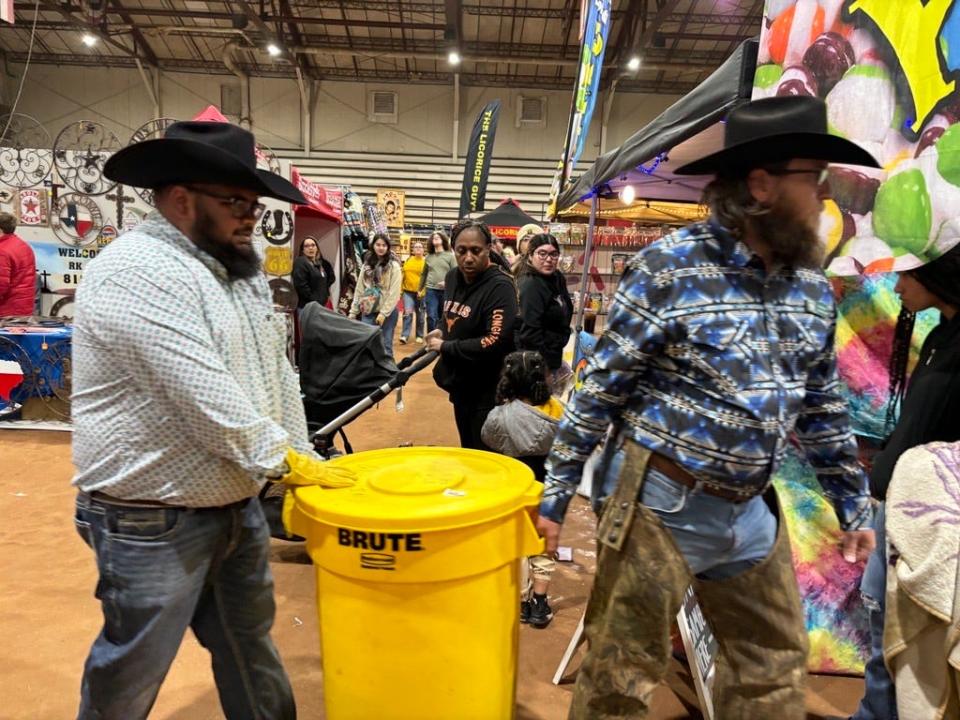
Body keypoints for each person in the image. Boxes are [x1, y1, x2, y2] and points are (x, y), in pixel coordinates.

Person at [536, 96, 879, 720]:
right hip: (658, 505)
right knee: (621, 679)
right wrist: (557, 492)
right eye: (814, 179)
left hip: (750, 512)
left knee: (773, 665)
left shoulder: (808, 288)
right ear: (760, 185)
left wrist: (852, 502)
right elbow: (601, 387)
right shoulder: (670, 268)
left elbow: (822, 407)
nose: (825, 196)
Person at [71, 121, 356, 720]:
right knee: (132, 668)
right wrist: (288, 463)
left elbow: (278, 375)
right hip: (149, 516)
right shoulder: (136, 270)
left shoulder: (236, 270)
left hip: (234, 505)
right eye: (235, 203)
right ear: (180, 199)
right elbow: (205, 398)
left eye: (253, 203)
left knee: (249, 646)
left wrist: (302, 458)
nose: (251, 216)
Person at [849, 244, 960, 720]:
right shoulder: (942, 336)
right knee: (884, 628)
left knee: (904, 638)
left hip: (929, 521)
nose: (896, 287)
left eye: (907, 277)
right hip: (897, 506)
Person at [481, 350, 563, 628]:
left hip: (514, 489)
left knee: (517, 544)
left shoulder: (498, 416)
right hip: (546, 488)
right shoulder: (558, 411)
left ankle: (520, 601)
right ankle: (540, 603)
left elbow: (486, 440)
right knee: (542, 546)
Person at [425, 219, 518, 450]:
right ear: (453, 250)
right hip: (460, 384)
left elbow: (496, 341)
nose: (468, 257)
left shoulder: (500, 287)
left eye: (476, 251)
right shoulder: (452, 277)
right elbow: (452, 313)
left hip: (487, 390)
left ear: (488, 249)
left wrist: (446, 347)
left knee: (484, 454)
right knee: (467, 445)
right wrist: (442, 329)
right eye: (461, 250)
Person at [515, 233, 574, 392]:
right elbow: (530, 334)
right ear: (530, 255)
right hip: (536, 363)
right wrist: (544, 367)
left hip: (553, 355)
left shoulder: (557, 278)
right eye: (542, 253)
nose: (548, 259)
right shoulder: (530, 285)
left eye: (553, 254)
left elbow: (566, 309)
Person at [348, 232, 402, 358]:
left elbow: (394, 292)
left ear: (388, 247)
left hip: (387, 313)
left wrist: (384, 313)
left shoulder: (393, 266)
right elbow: (359, 289)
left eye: (384, 245)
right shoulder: (366, 266)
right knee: (366, 344)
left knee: (385, 345)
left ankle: (388, 375)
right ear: (373, 246)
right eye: (378, 244)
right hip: (367, 309)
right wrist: (353, 311)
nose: (381, 247)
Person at [419, 230, 456, 333]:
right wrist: (419, 289)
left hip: (446, 291)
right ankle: (431, 338)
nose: (434, 238)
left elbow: (456, 274)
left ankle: (440, 339)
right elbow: (424, 274)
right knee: (431, 316)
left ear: (443, 240)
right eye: (433, 237)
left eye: (437, 237)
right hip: (430, 290)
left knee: (442, 317)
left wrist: (447, 283)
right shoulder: (428, 257)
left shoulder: (450, 256)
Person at [0, 212, 36, 317]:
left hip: (6, 313)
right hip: (24, 310)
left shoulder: (2, 250)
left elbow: (1, 285)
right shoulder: (24, 246)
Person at [292, 236, 332, 310]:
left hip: (319, 306)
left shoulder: (317, 264)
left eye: (313, 245)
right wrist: (315, 300)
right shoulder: (300, 262)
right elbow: (301, 286)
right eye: (307, 246)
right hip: (308, 307)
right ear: (303, 250)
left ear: (317, 248)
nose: (311, 248)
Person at [399, 240, 426, 344]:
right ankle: (404, 335)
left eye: (420, 247)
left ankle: (419, 335)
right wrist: (401, 290)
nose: (418, 248)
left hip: (420, 293)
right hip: (408, 292)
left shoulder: (426, 262)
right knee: (407, 313)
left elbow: (428, 278)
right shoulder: (408, 260)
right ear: (413, 250)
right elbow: (403, 276)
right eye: (416, 247)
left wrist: (422, 291)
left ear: (423, 250)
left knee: (420, 315)